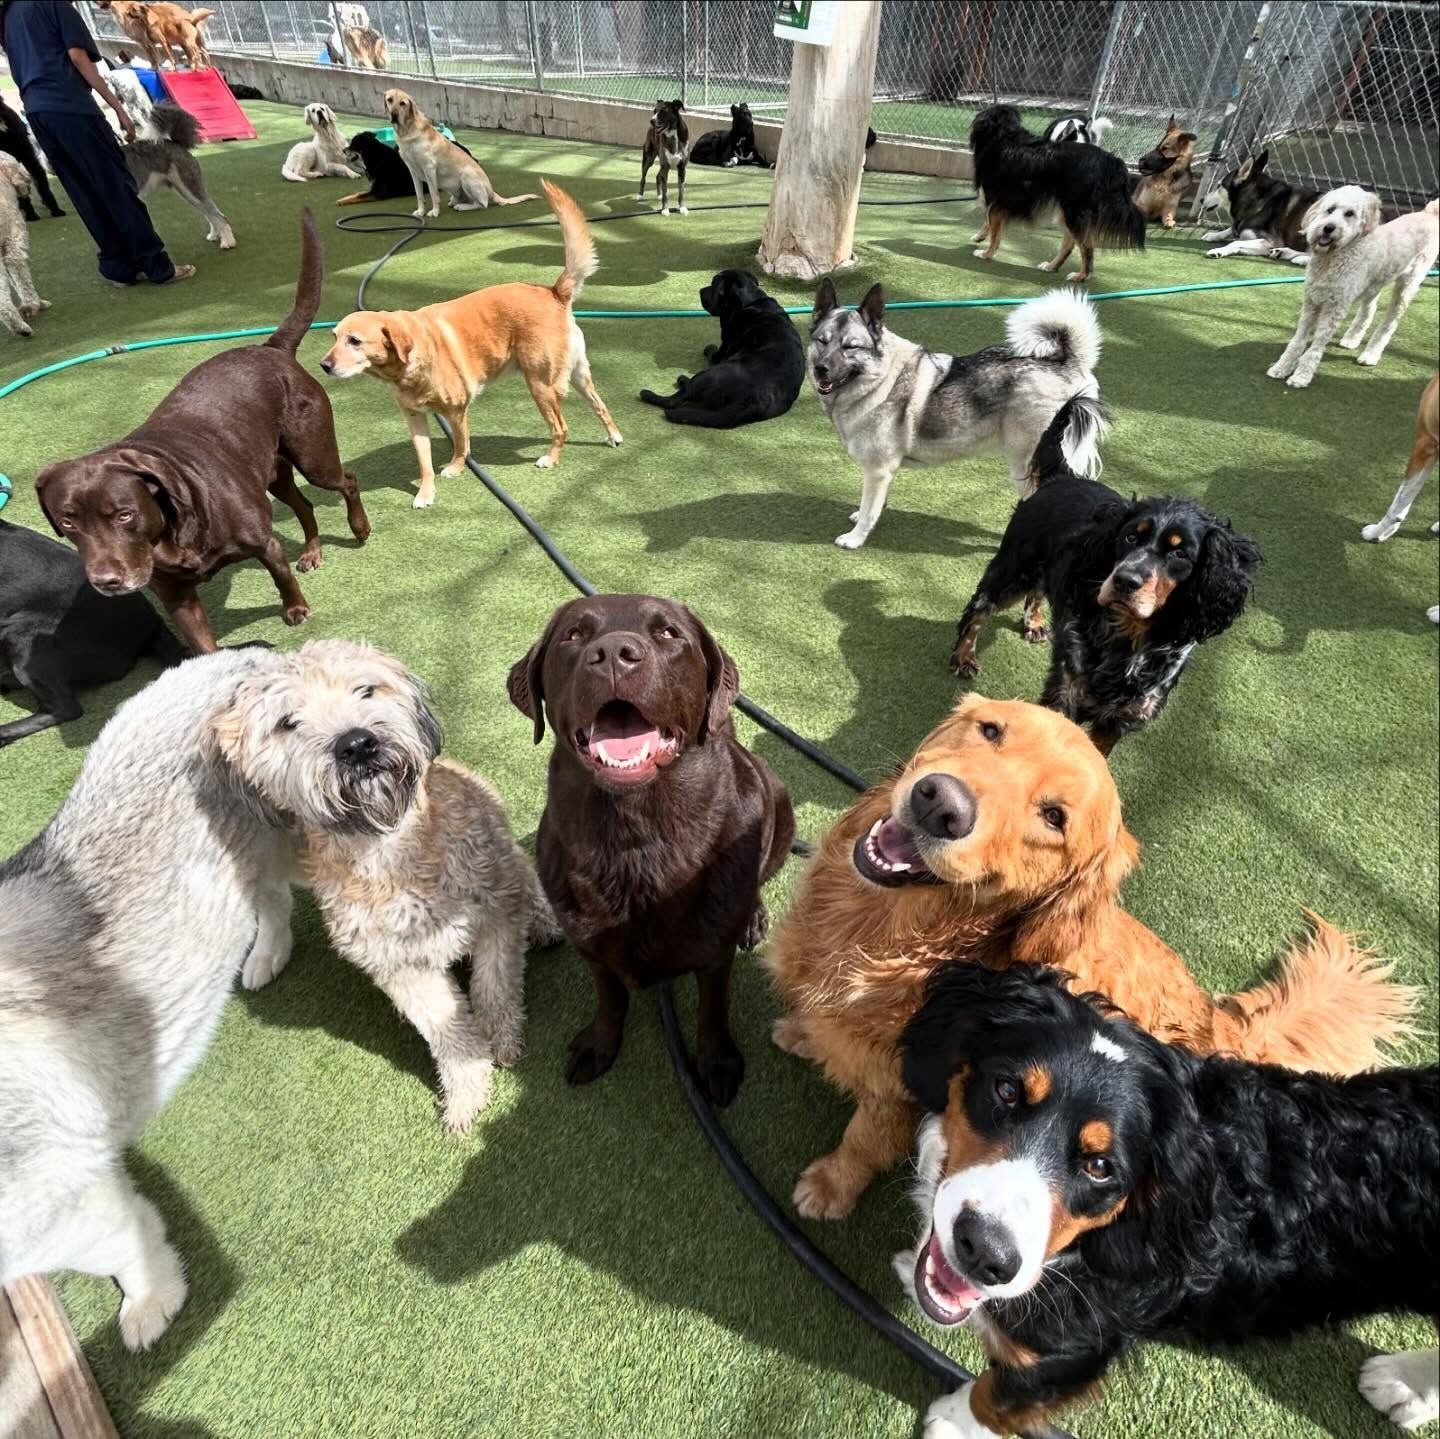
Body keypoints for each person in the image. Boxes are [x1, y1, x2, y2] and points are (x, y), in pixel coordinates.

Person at [0, 0, 193, 285]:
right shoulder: (57, 7)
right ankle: (156, 265)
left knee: (84, 191)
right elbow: (79, 59)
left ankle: (119, 267)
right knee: (116, 186)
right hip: (72, 108)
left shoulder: (9, 14)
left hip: (39, 113)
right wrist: (118, 108)